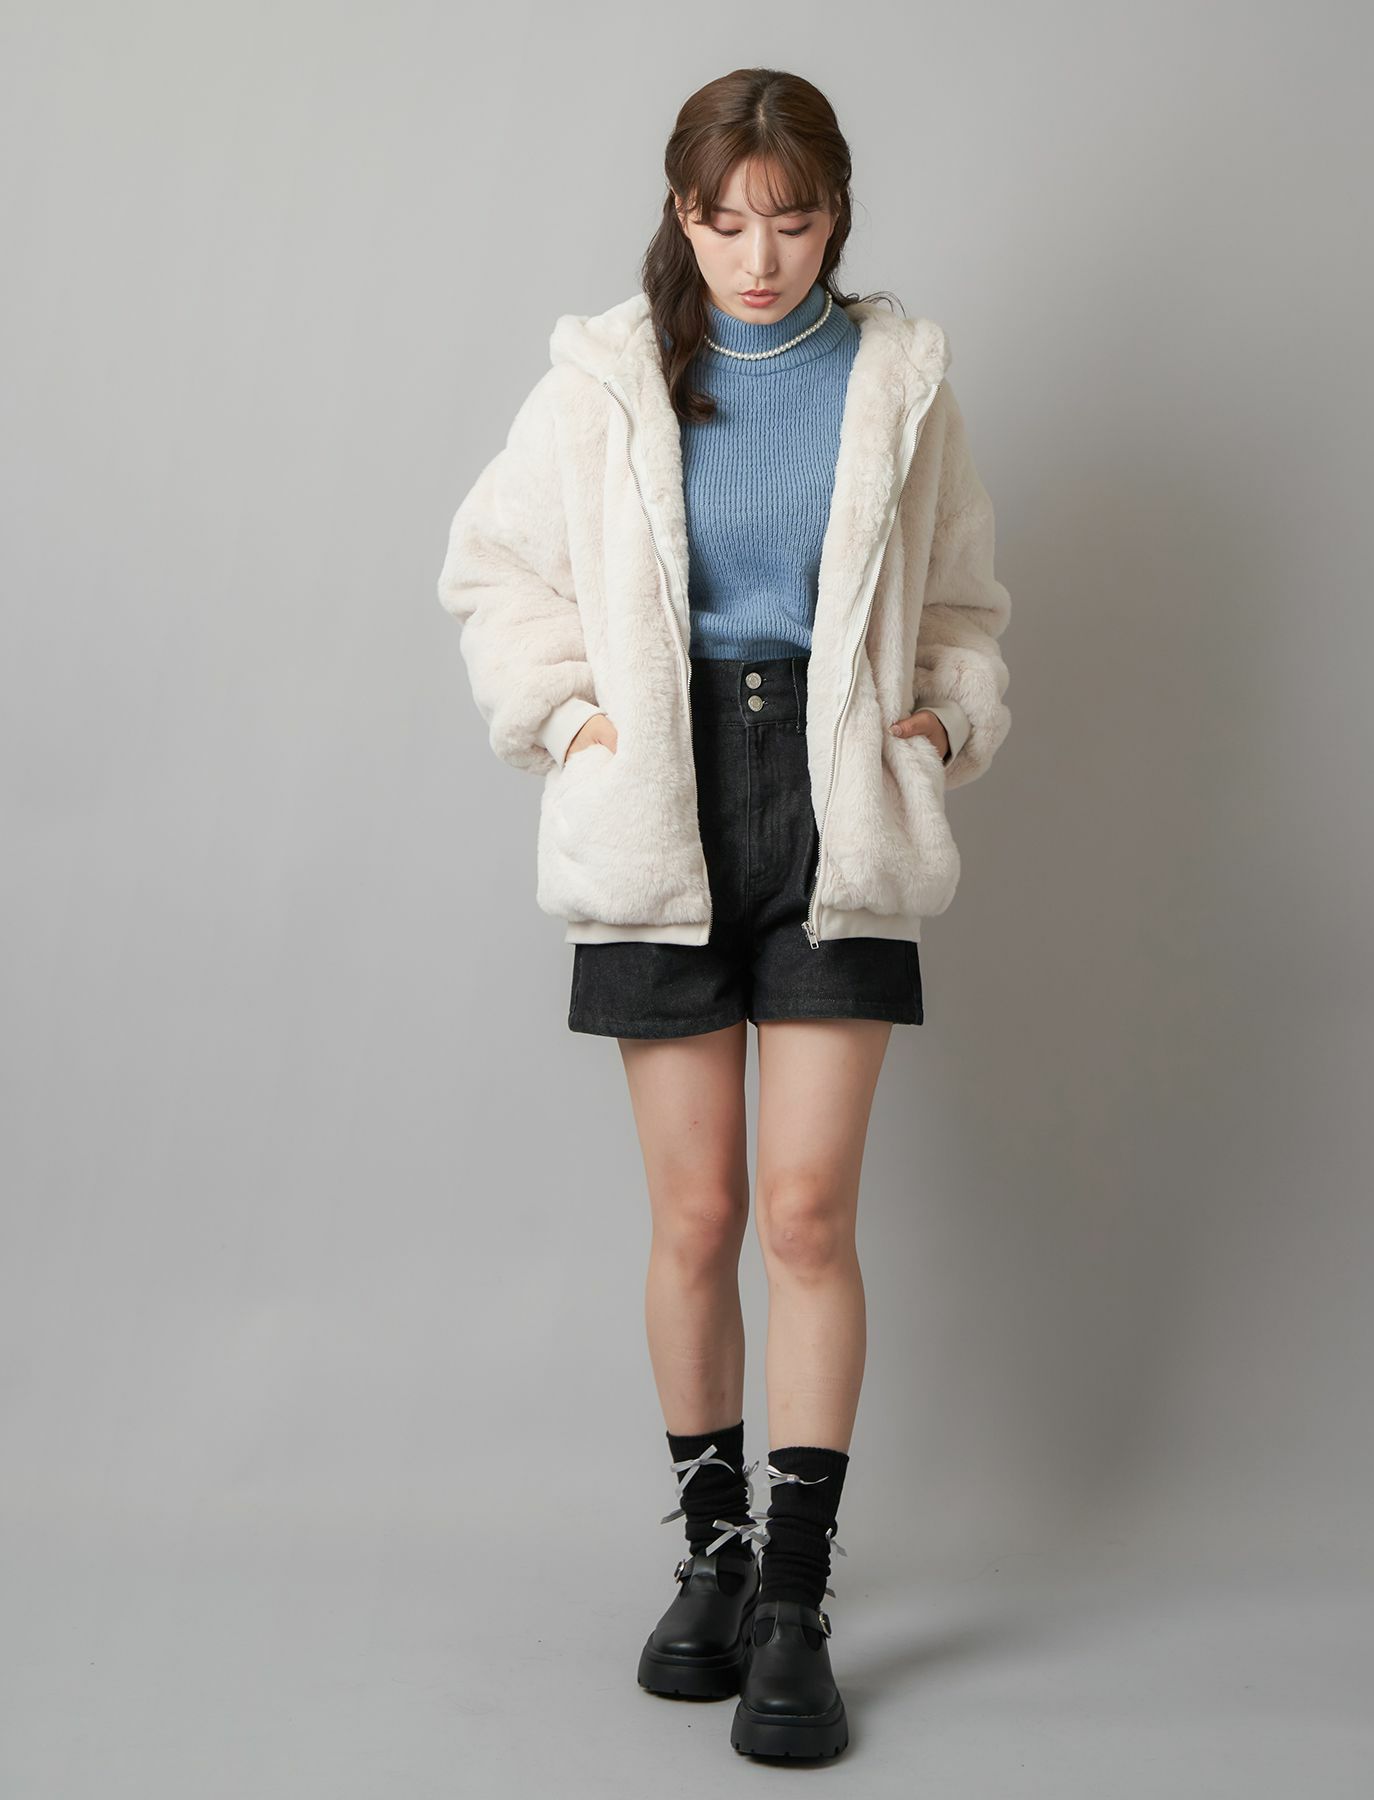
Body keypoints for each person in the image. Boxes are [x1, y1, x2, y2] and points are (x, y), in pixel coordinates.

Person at [436, 67, 1012, 1761]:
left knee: (807, 1214)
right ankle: (713, 1557)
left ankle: (797, 1602)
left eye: (795, 221)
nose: (761, 258)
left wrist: (938, 725)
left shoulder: (902, 382)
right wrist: (572, 722)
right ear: (681, 217)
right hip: (661, 804)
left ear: (838, 215)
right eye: (725, 222)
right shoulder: (606, 379)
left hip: (836, 802)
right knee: (694, 1216)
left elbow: (965, 604)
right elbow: (495, 573)